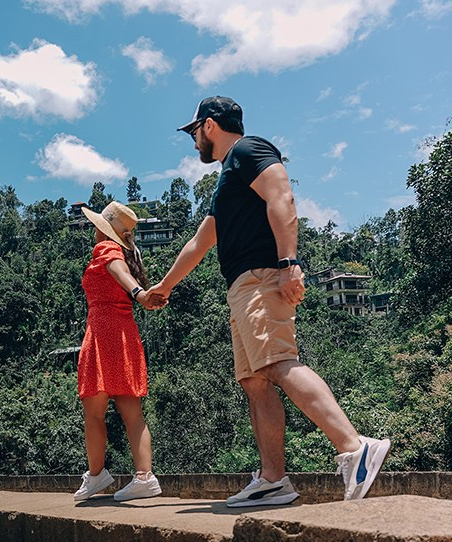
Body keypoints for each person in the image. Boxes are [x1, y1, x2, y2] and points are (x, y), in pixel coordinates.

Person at [147, 96, 390, 506]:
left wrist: (289, 263)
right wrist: (164, 286)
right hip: (242, 286)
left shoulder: (247, 149)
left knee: (277, 363)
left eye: (193, 133)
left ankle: (354, 448)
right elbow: (200, 242)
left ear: (209, 126)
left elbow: (283, 197)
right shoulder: (228, 180)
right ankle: (274, 479)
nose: (192, 144)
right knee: (254, 380)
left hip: (262, 277)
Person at [74, 201, 167, 502]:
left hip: (104, 334)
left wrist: (138, 294)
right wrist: (139, 293)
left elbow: (116, 270)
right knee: (132, 413)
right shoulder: (126, 253)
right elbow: (122, 271)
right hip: (124, 334)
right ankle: (145, 476)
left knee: (93, 413)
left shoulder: (107, 250)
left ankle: (97, 474)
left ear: (104, 229)